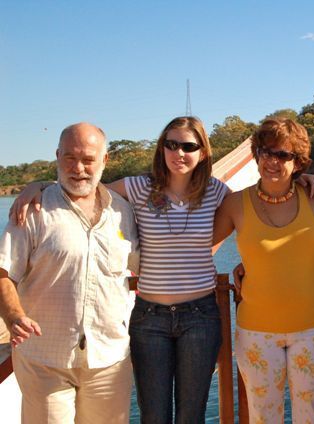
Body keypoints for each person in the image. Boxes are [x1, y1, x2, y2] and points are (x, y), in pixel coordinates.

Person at [11, 116, 228, 423]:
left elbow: (255, 209)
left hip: (200, 316)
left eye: (188, 146)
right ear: (161, 148)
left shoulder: (217, 192)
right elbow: (83, 188)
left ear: (203, 152)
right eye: (171, 144)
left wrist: (303, 181)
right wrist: (40, 185)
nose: (179, 153)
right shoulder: (138, 188)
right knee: (153, 414)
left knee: (191, 414)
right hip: (150, 317)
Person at [0, 123, 139, 423]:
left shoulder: (123, 212)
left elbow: (147, 265)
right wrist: (13, 317)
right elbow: (4, 272)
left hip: (109, 357)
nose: (78, 168)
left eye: (88, 159)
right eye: (69, 158)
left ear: (105, 160)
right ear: (57, 156)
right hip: (45, 358)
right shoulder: (33, 209)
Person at [213, 118, 314, 424]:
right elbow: (197, 245)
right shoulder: (235, 204)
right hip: (256, 332)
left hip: (313, 329)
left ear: (298, 162)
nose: (273, 161)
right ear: (256, 155)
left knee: (313, 416)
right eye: (266, 152)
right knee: (263, 416)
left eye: (283, 155)